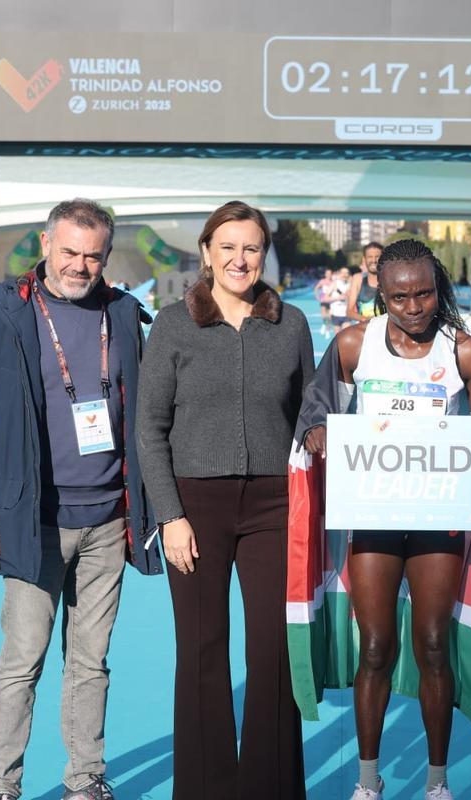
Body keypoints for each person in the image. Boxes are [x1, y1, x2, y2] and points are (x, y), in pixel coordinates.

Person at [0, 199, 162, 800]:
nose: (80, 265)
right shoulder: (1, 314)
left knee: (92, 663)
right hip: (31, 520)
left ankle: (85, 778)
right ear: (46, 244)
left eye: (93, 255)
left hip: (108, 521)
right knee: (23, 661)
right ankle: (1, 786)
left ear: (107, 256)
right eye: (69, 251)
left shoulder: (122, 313)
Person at [299, 239, 471, 800]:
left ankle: (437, 781)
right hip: (372, 512)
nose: (413, 307)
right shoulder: (351, 345)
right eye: (399, 297)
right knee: (375, 646)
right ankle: (368, 781)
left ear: (438, 287)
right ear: (378, 291)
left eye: (424, 293)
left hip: (439, 513)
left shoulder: (464, 352)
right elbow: (314, 408)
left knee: (434, 644)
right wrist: (316, 430)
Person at [137, 201, 315, 800]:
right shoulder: (171, 325)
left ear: (264, 255)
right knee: (202, 649)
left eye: (253, 248)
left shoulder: (290, 325)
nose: (241, 259)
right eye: (229, 247)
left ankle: (271, 789)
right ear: (207, 252)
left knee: (273, 652)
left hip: (273, 505)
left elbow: (308, 420)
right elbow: (149, 429)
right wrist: (170, 516)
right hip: (195, 508)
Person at [347, 241, 384, 321]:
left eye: (377, 256)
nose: (374, 260)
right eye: (370, 257)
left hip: (387, 330)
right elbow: (349, 312)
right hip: (365, 330)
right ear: (364, 259)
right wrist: (369, 321)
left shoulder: (390, 279)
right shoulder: (358, 279)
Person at [315, 267, 335, 335]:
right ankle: (325, 325)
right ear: (325, 274)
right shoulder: (322, 281)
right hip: (323, 299)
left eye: (330, 273)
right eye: (327, 273)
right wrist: (317, 296)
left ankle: (327, 327)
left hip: (331, 300)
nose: (328, 275)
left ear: (332, 274)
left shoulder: (334, 282)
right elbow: (316, 288)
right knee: (323, 314)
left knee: (329, 315)